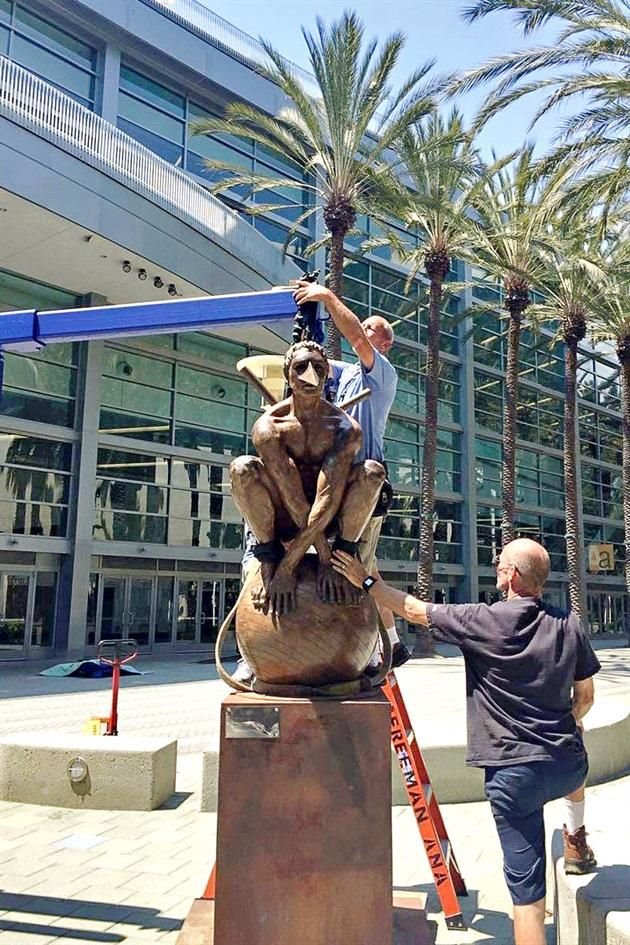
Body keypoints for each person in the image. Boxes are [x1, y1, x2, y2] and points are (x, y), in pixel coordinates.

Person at [332, 537, 599, 945]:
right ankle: (576, 840)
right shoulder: (569, 625)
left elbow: (413, 609)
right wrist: (567, 724)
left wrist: (366, 582)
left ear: (510, 575)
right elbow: (585, 698)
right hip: (565, 766)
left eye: (499, 563)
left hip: (514, 779)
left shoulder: (482, 620)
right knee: (575, 741)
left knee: (527, 895)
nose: (496, 568)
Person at [292, 279, 412, 670]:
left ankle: (370, 646)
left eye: (369, 328)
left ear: (384, 343)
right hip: (330, 481)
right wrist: (308, 316)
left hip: (362, 481)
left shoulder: (381, 375)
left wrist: (327, 297)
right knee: (364, 563)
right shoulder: (341, 376)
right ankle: (392, 641)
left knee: (354, 565)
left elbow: (356, 338)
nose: (360, 329)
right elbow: (310, 357)